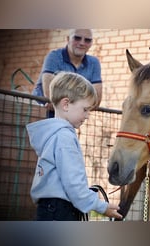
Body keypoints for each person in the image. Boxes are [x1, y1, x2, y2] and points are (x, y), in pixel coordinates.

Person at [26, 72, 122, 221]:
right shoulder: (64, 138)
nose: (87, 115)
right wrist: (101, 206)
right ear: (66, 104)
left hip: (48, 209)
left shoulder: (53, 134)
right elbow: (74, 184)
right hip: (60, 211)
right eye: (85, 109)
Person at [32, 29, 102, 117]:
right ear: (68, 39)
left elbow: (95, 100)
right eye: (77, 38)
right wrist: (77, 107)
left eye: (87, 40)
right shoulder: (54, 57)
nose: (82, 43)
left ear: (91, 43)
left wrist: (69, 108)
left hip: (69, 116)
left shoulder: (94, 63)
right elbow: (49, 93)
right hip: (41, 112)